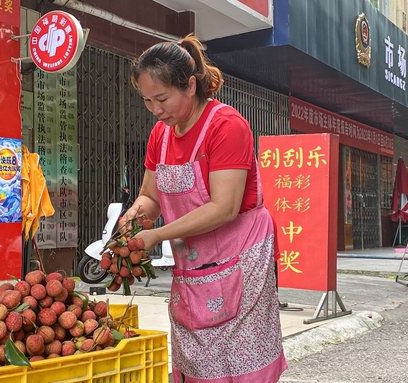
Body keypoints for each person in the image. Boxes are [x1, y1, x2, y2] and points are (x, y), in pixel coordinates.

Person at [121, 35, 287, 382]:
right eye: (147, 100)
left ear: (191, 85)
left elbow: (223, 208)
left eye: (162, 98)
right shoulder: (160, 135)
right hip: (193, 263)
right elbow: (149, 195)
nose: (155, 109)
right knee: (196, 359)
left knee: (241, 361)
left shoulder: (226, 126)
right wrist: (136, 216)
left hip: (241, 261)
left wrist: (158, 235)